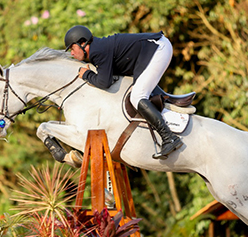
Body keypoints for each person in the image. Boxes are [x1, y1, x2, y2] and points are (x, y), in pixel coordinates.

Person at [64, 25, 183, 160]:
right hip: (153, 50)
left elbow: (104, 82)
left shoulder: (97, 51)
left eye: (72, 48)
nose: (71, 53)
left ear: (82, 43)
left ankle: (169, 138)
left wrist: (86, 75)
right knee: (138, 91)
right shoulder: (98, 48)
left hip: (158, 48)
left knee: (137, 96)